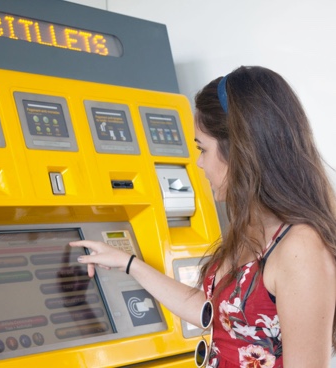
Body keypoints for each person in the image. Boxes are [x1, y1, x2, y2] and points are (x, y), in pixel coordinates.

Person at [70, 66, 336, 367]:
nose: (197, 163)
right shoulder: (252, 228)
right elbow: (212, 310)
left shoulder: (301, 249)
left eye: (203, 148)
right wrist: (129, 264)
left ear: (239, 151)